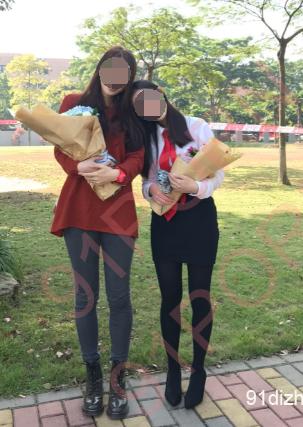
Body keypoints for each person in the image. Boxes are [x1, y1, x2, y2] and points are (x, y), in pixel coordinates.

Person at [51, 46, 145, 419]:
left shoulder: (133, 111)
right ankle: (93, 378)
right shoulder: (73, 103)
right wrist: (80, 167)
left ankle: (118, 380)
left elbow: (140, 156)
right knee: (85, 297)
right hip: (80, 211)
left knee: (119, 297)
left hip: (119, 215)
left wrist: (118, 173)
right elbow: (61, 150)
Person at [132, 80, 224, 410]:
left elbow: (218, 174)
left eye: (148, 98)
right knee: (170, 298)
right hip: (165, 222)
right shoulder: (145, 136)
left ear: (161, 94)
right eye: (138, 105)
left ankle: (198, 370)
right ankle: (172, 369)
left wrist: (195, 186)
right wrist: (150, 191)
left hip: (199, 219)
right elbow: (145, 179)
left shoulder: (197, 126)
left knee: (199, 297)